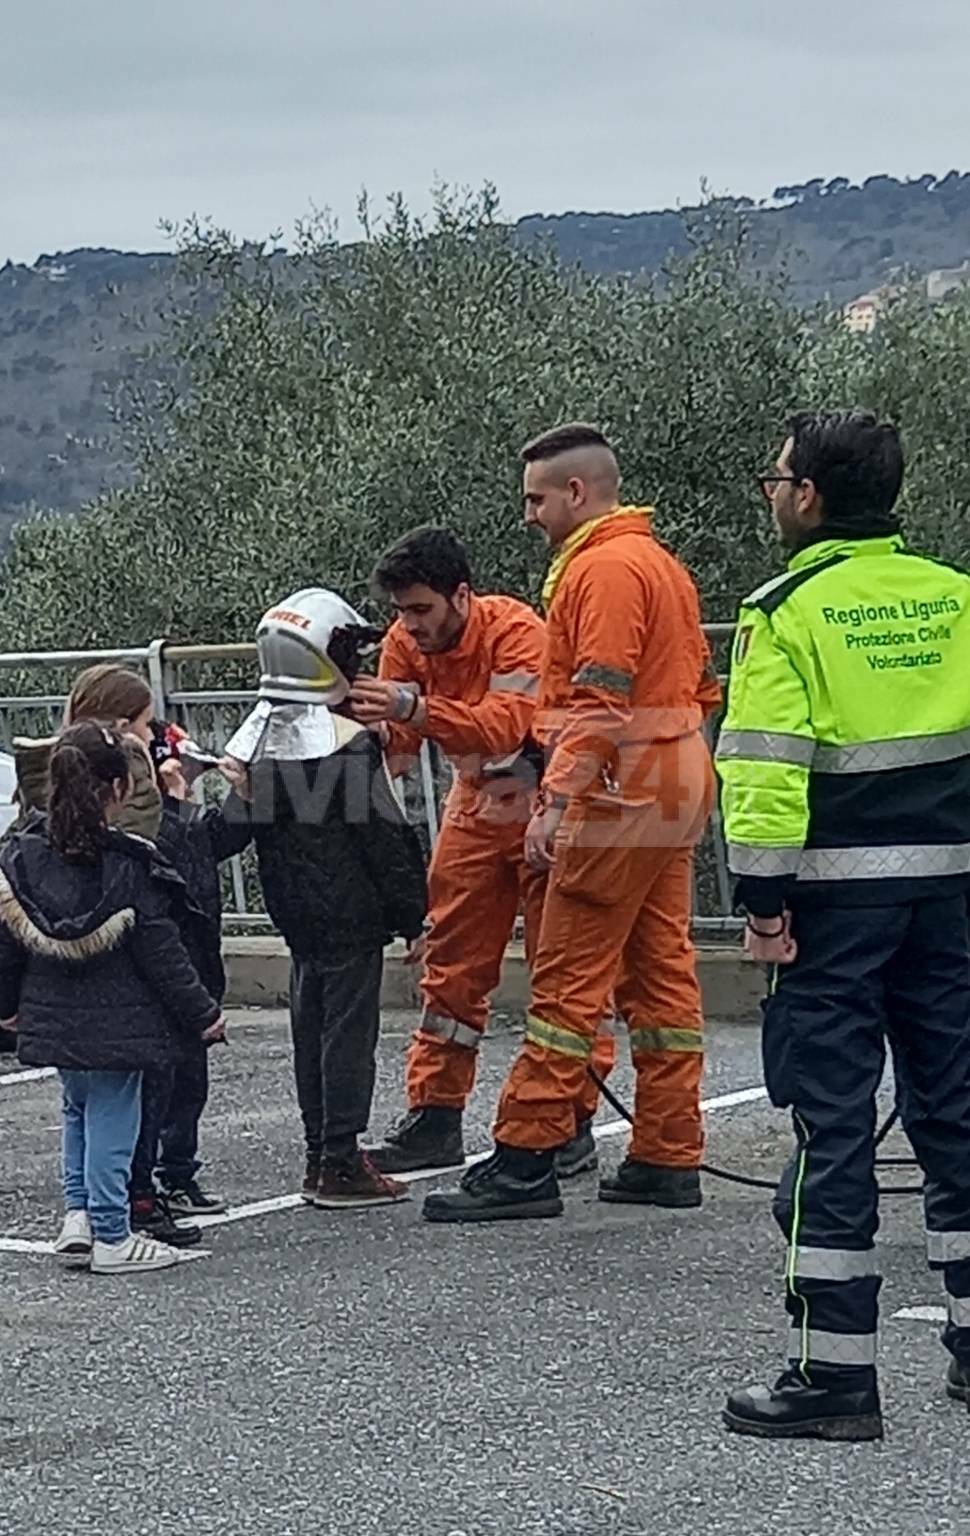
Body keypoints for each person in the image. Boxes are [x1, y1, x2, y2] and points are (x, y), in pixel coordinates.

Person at [714, 408, 970, 1442]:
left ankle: (834, 1377)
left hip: (829, 911)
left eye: (775, 480)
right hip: (949, 899)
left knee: (832, 1133)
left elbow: (766, 773)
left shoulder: (785, 612)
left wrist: (763, 905)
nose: (772, 495)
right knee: (956, 1120)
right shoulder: (954, 598)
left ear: (807, 495)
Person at [423, 423, 718, 1225]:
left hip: (621, 784)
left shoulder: (601, 570)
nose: (529, 514)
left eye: (536, 498)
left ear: (576, 494)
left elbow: (596, 699)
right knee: (661, 971)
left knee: (568, 975)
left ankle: (525, 1156)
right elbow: (699, 682)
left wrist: (556, 800)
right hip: (676, 770)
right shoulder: (659, 564)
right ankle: (666, 1150)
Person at [350, 527, 611, 1177]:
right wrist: (360, 730)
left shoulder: (518, 631)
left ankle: (570, 1117)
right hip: (476, 797)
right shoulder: (402, 643)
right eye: (402, 613)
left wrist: (409, 705)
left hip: (545, 795)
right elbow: (401, 752)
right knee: (451, 962)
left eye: (421, 611)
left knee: (562, 971)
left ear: (461, 595)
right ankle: (435, 1113)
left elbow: (506, 724)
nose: (409, 628)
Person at [223, 587, 428, 1208]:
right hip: (351, 915)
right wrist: (415, 913)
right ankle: (342, 1160)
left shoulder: (260, 738)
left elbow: (232, 827)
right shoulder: (346, 742)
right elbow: (384, 840)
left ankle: (320, 1153)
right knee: (345, 1037)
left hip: (295, 915)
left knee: (309, 1032)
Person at [0, 723, 225, 1276]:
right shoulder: (130, 863)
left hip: (52, 1016)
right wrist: (203, 1014)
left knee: (76, 1110)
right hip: (119, 1024)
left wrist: (6, 1003)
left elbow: (5, 946)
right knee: (113, 1120)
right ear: (120, 788)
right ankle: (112, 1233)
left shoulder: (22, 857)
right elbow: (163, 953)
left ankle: (77, 1217)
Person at [149, 724, 253, 1217]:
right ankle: (149, 1181)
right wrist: (174, 799)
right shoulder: (149, 821)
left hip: (193, 971)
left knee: (189, 1082)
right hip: (162, 976)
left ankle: (177, 1171)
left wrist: (245, 795)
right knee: (158, 1086)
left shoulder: (186, 822)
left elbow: (221, 837)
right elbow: (178, 854)